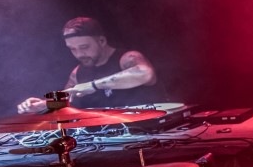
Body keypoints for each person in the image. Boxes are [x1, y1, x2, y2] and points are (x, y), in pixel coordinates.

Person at [16, 17, 164, 113]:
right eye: (72, 49)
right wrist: (41, 105)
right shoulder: (78, 72)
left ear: (102, 41)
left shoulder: (127, 58)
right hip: (110, 134)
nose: (79, 54)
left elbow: (146, 74)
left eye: (84, 47)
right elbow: (66, 101)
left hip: (148, 130)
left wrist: (93, 85)